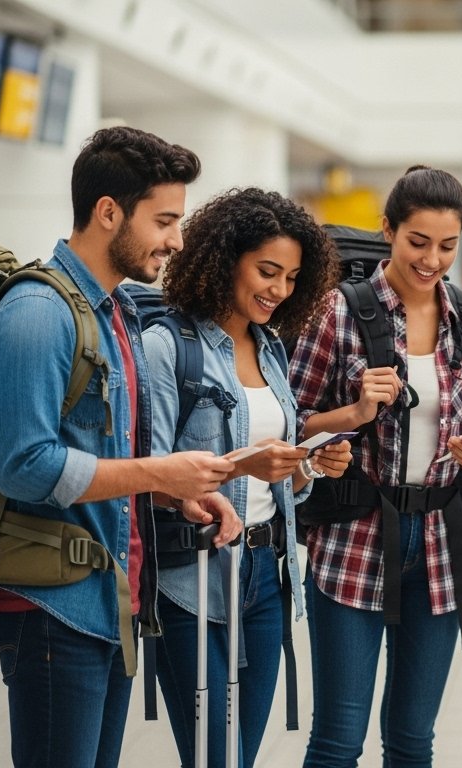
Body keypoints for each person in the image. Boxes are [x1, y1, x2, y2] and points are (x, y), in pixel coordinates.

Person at [0, 125, 243, 767]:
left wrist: (173, 491)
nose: (177, 240)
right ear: (108, 213)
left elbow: (104, 453)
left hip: (108, 602)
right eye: (165, 220)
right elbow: (24, 465)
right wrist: (157, 470)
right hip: (51, 610)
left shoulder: (113, 312)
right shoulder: (38, 313)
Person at [289, 165, 462, 767]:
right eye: (418, 242)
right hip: (353, 538)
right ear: (388, 230)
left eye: (447, 245)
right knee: (337, 738)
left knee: (413, 740)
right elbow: (291, 423)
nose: (431, 259)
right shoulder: (336, 312)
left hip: (439, 544)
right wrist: (351, 414)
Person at [144, 187, 352, 767]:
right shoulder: (168, 347)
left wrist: (306, 465)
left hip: (266, 577)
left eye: (290, 278)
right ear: (225, 257)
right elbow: (149, 475)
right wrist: (243, 463)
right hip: (192, 573)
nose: (278, 291)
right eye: (267, 271)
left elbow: (274, 476)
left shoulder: (271, 349)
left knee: (243, 757)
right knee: (216, 758)